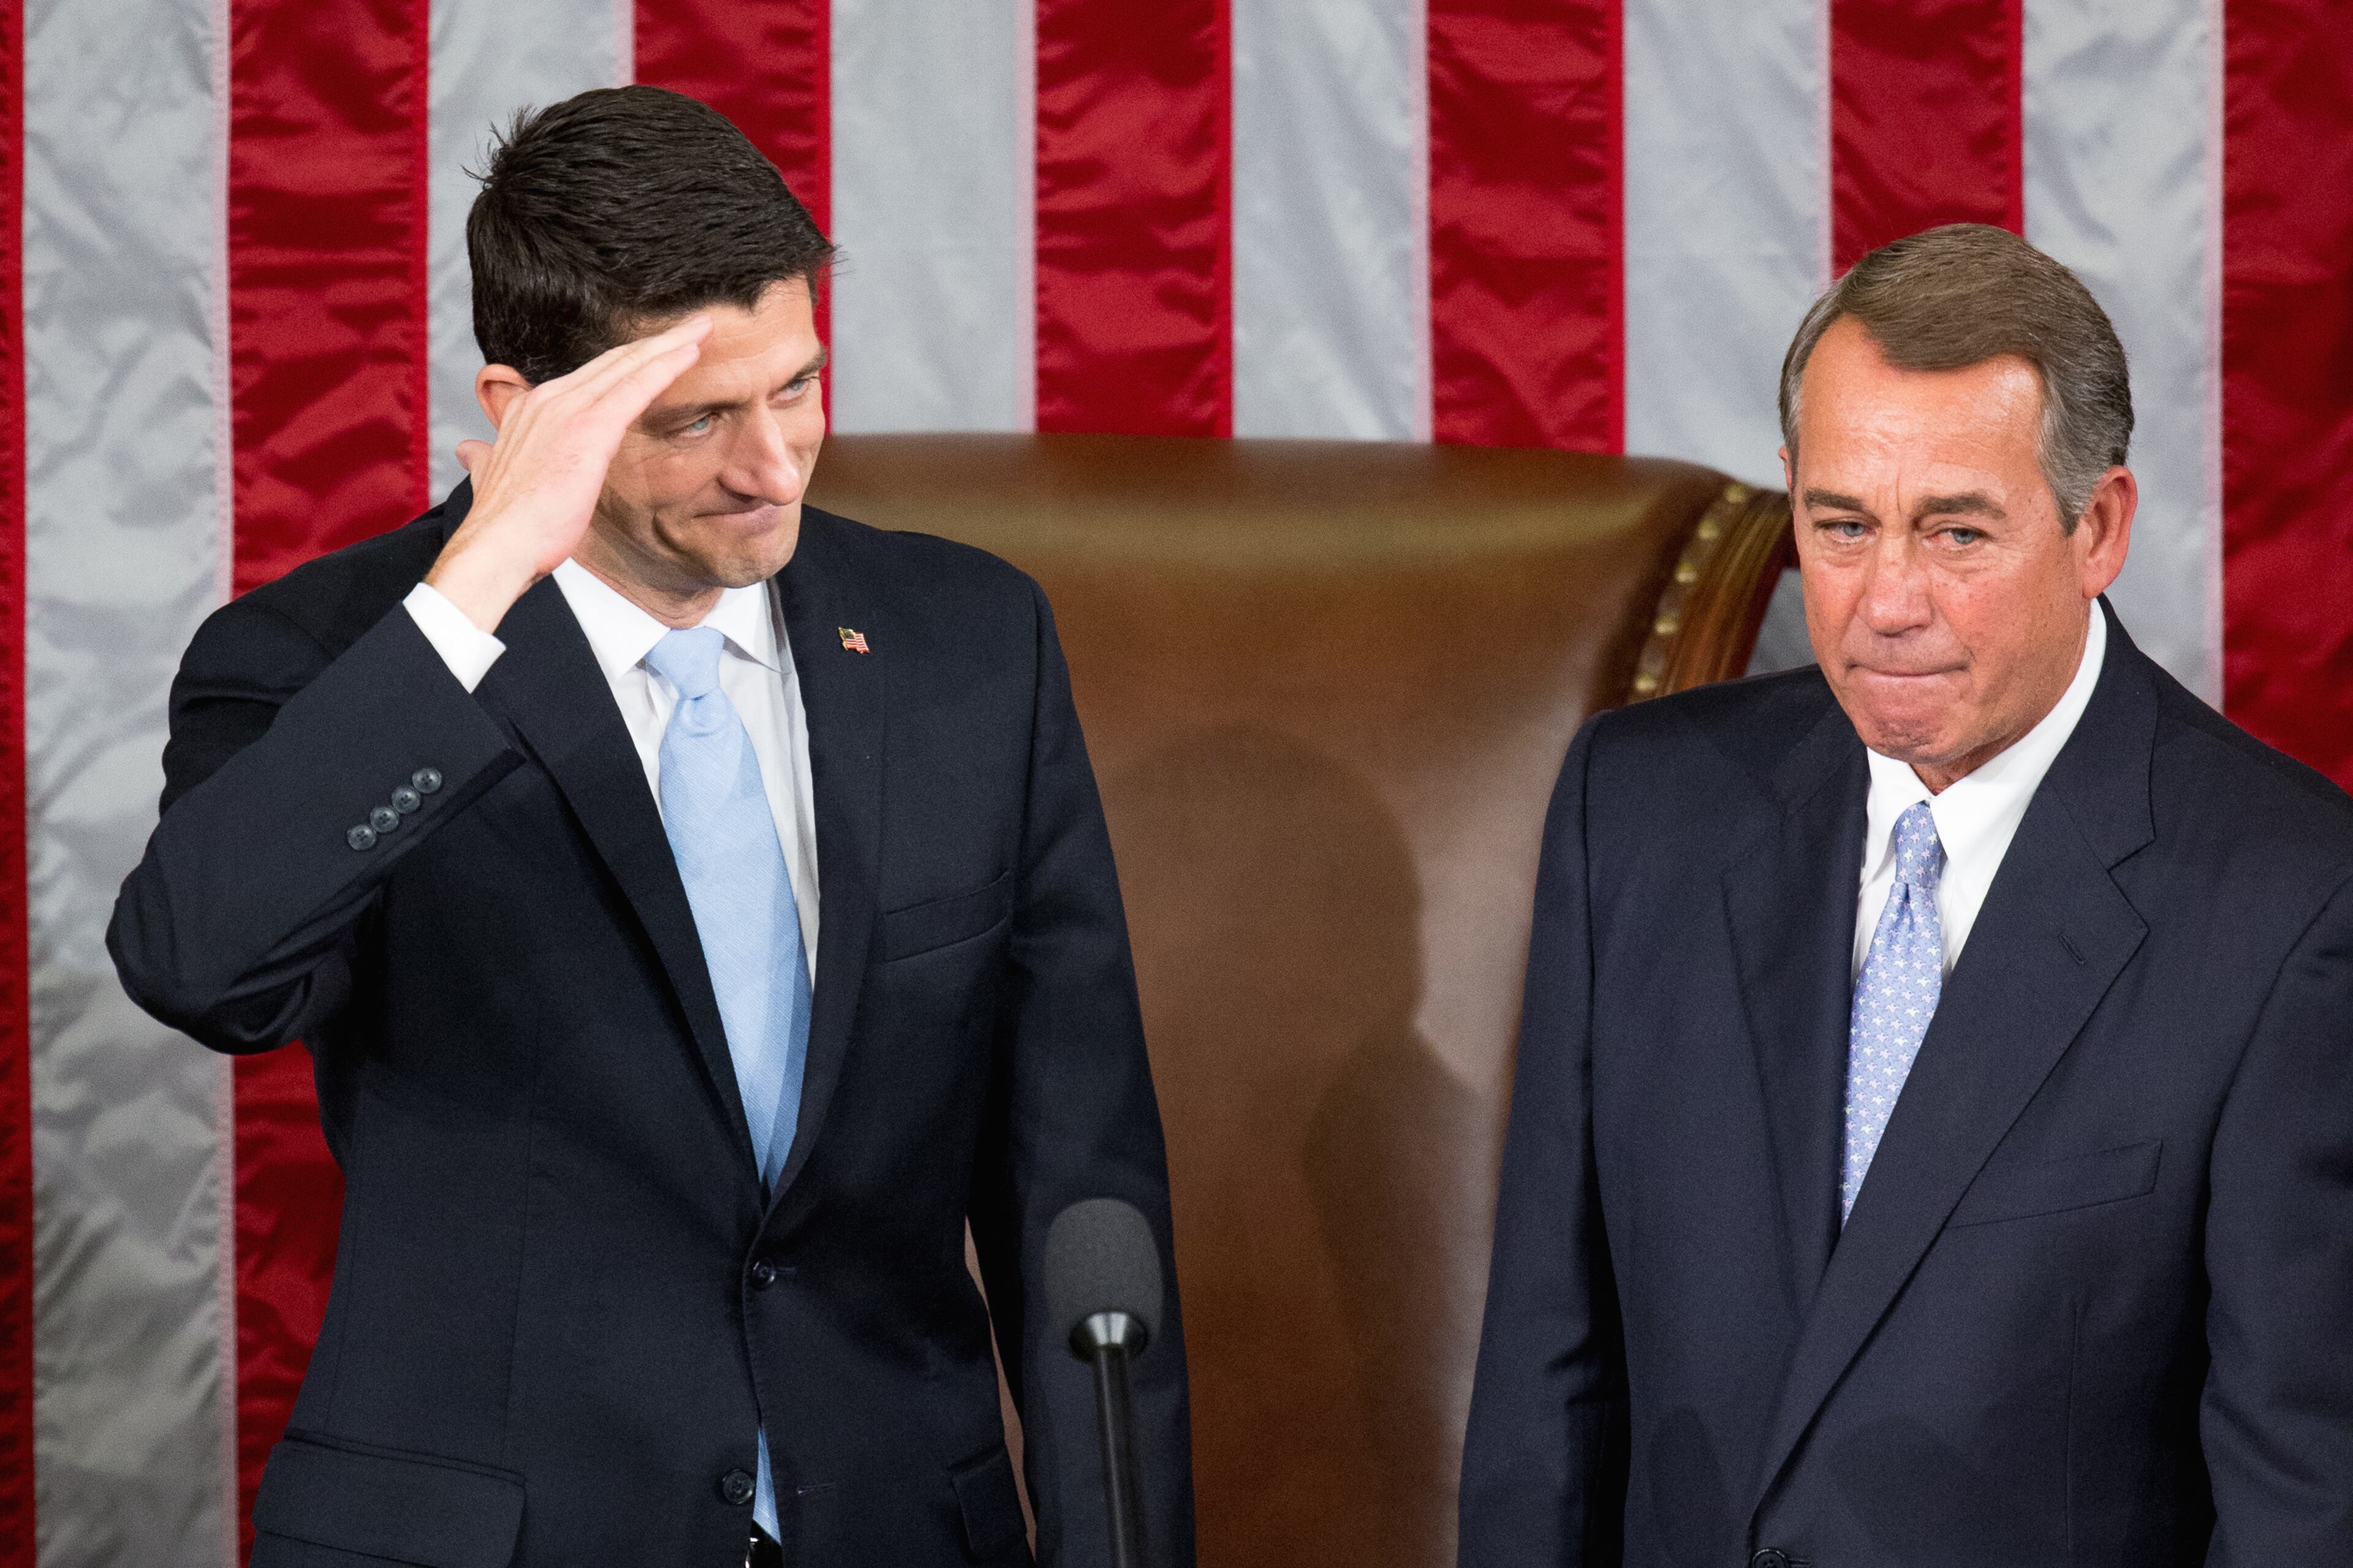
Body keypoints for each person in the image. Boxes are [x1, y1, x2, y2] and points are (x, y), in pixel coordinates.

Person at [109, 86, 1192, 1568]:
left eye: (797, 387)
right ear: (525, 411)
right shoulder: (325, 662)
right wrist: (473, 590)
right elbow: (198, 962)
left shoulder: (969, 645)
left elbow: (1079, 1183)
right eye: (693, 419)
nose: (773, 465)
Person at [1459, 223, 2353, 1566]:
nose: (1886, 601)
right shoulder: (1638, 812)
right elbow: (1547, 1380)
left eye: (1955, 532)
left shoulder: (2288, 904)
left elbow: (2301, 1503)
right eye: (1843, 525)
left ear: (2096, 525)